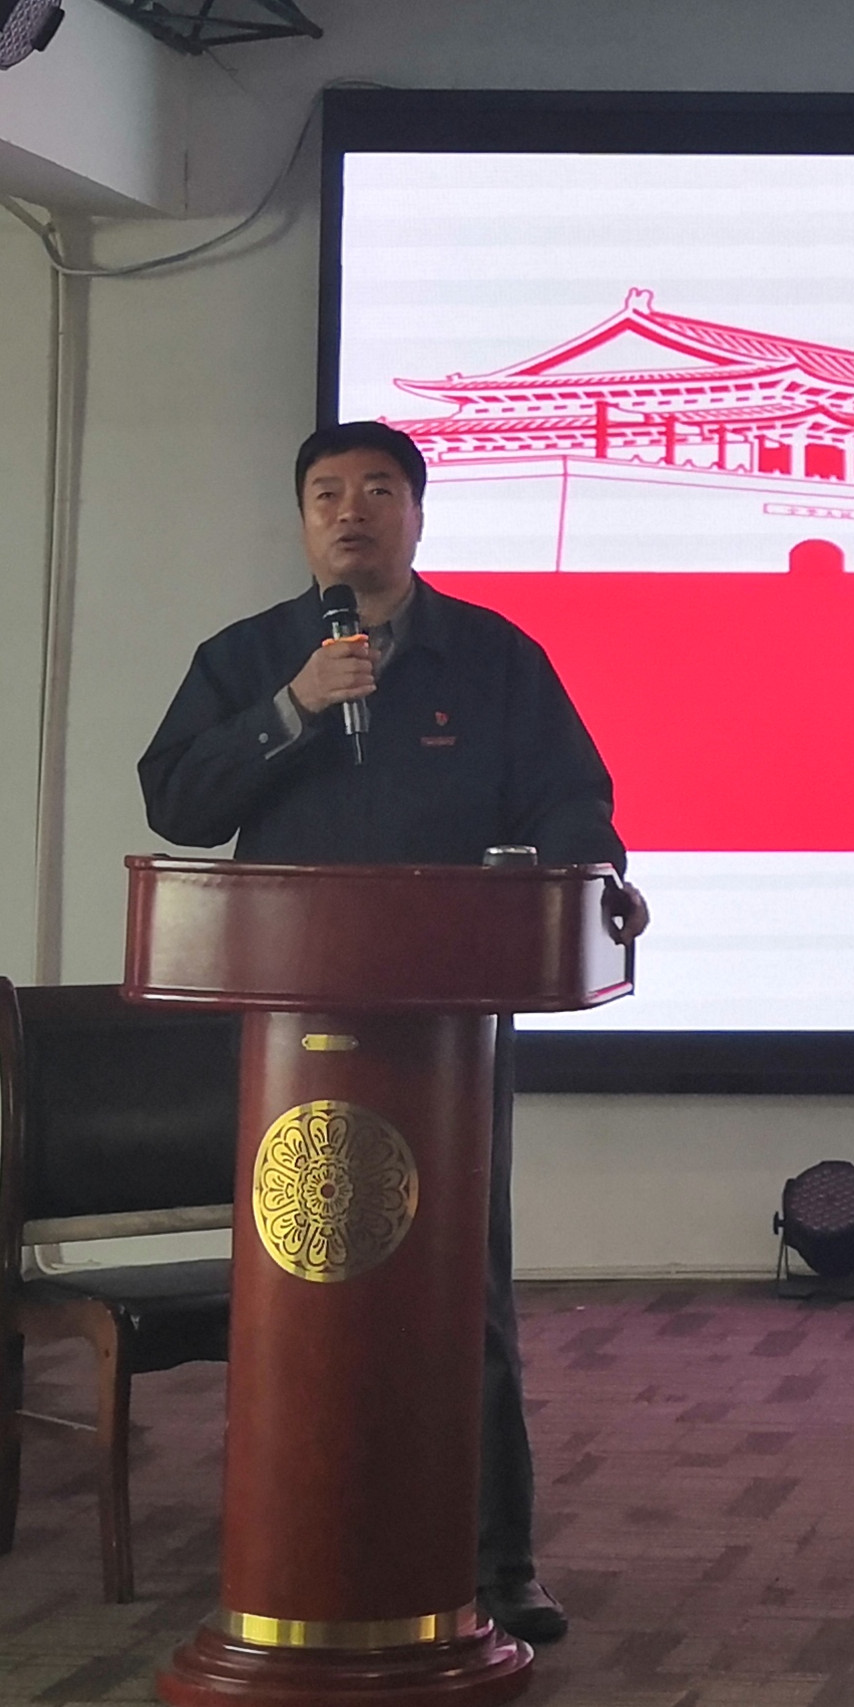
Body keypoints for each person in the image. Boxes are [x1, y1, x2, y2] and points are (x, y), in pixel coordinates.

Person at [137, 420, 636, 1646]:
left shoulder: (492, 655)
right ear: (303, 521)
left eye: (375, 491)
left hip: (445, 1028)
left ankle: (495, 1562)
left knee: (463, 1286)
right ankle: (297, 1546)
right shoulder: (249, 657)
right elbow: (178, 804)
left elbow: (570, 795)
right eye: (326, 495)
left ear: (417, 514)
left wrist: (589, 871)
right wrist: (294, 707)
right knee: (301, 1282)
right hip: (291, 1029)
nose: (350, 512)